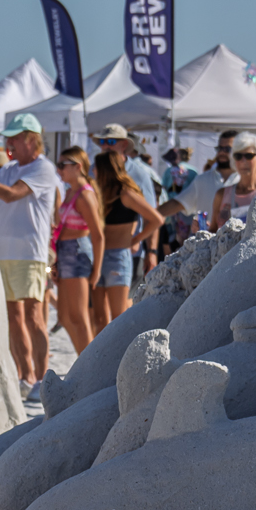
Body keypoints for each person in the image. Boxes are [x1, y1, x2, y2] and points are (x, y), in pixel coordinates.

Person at [0, 114, 60, 392]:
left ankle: (43, 380)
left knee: (33, 316)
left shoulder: (43, 168)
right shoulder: (8, 168)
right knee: (13, 317)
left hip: (30, 253)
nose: (10, 143)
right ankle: (26, 377)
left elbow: (10, 194)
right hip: (2, 252)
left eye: (16, 138)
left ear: (32, 139)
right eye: (9, 138)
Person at [89, 147, 161, 332]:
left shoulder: (125, 194)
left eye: (97, 167)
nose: (93, 170)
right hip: (97, 256)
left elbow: (156, 219)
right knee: (98, 318)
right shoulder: (99, 193)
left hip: (118, 257)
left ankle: (119, 351)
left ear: (106, 169)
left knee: (118, 318)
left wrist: (136, 239)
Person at [52, 148, 104, 356]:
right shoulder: (70, 192)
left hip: (76, 253)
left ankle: (89, 364)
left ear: (78, 167)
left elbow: (98, 235)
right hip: (66, 252)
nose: (59, 170)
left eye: (62, 165)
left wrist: (97, 270)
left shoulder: (84, 195)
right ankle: (84, 360)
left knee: (79, 317)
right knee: (65, 317)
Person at [210, 134, 256, 231]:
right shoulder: (221, 195)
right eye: (238, 156)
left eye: (249, 156)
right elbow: (213, 231)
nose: (243, 161)